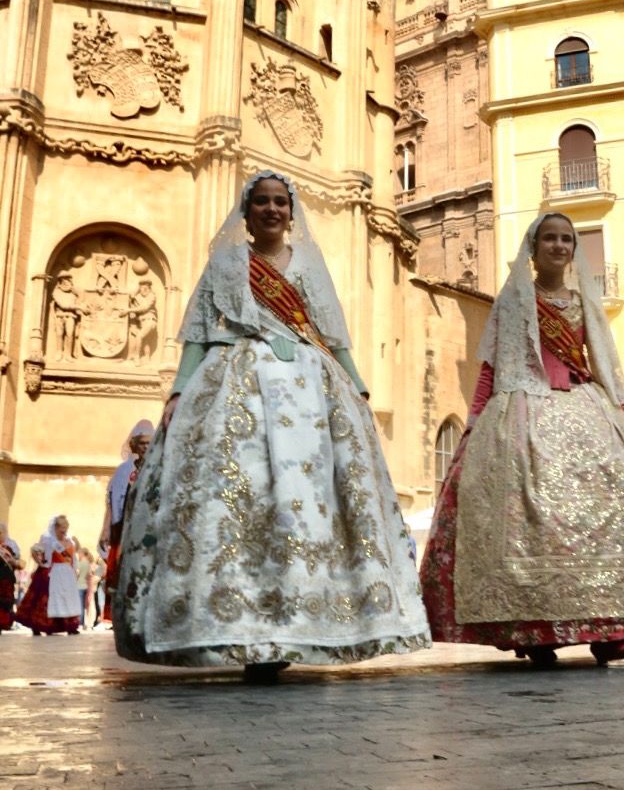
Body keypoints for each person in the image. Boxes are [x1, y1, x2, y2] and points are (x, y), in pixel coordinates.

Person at [114, 170, 430, 680]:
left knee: (309, 506)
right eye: (261, 201)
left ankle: (299, 622)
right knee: (238, 502)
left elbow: (333, 331)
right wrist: (178, 391)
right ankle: (242, 622)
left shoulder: (309, 262)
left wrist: (357, 387)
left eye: (280, 202)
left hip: (310, 387)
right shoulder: (224, 263)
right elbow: (198, 331)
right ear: (247, 210)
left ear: (291, 210)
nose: (271, 210)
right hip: (237, 381)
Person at [420, 212, 624, 666]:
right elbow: (492, 366)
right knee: (526, 517)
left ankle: (611, 626)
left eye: (566, 239)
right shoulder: (512, 302)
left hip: (584, 403)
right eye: (549, 238)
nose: (558, 245)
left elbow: (605, 360)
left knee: (615, 507)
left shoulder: (581, 302)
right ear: (532, 247)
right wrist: (474, 423)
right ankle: (535, 630)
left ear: (574, 248)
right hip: (521, 410)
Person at [101, 420, 155, 623]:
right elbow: (111, 501)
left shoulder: (157, 467)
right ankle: (121, 614)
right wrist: (105, 529)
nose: (146, 447)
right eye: (142, 443)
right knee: (121, 568)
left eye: (150, 443)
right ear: (134, 445)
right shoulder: (123, 471)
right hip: (123, 528)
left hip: (147, 527)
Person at [16, 516, 80, 635]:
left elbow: (73, 558)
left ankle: (69, 626)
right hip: (51, 573)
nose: (64, 531)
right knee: (45, 600)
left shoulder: (70, 541)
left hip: (66, 574)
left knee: (66, 599)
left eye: (66, 528)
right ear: (56, 527)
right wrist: (39, 562)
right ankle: (40, 626)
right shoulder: (48, 540)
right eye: (62, 528)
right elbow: (35, 549)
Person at [0, 524, 23, 633]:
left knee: (6, 602)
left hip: (6, 579)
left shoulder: (9, 547)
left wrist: (13, 561)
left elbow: (18, 563)